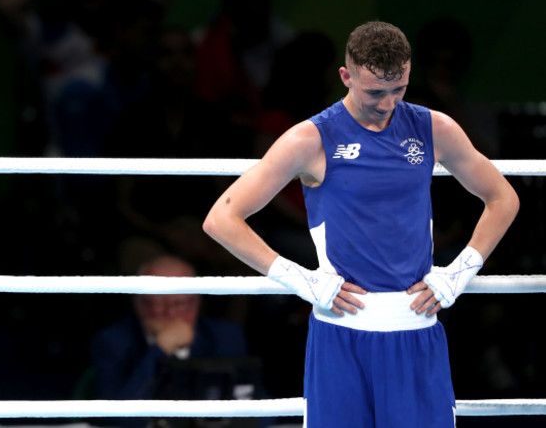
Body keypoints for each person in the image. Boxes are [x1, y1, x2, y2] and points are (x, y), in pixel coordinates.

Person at [203, 21, 519, 428]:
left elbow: (502, 197)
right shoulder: (310, 139)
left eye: (399, 88)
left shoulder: (433, 128)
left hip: (415, 326)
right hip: (340, 333)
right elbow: (222, 219)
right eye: (375, 92)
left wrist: (460, 271)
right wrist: (300, 279)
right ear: (346, 76)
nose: (388, 103)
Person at [90, 254, 250, 428]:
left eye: (180, 303)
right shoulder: (112, 341)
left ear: (196, 302)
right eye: (158, 302)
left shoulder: (225, 336)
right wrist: (159, 349)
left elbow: (255, 409)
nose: (170, 313)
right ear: (138, 302)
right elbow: (119, 419)